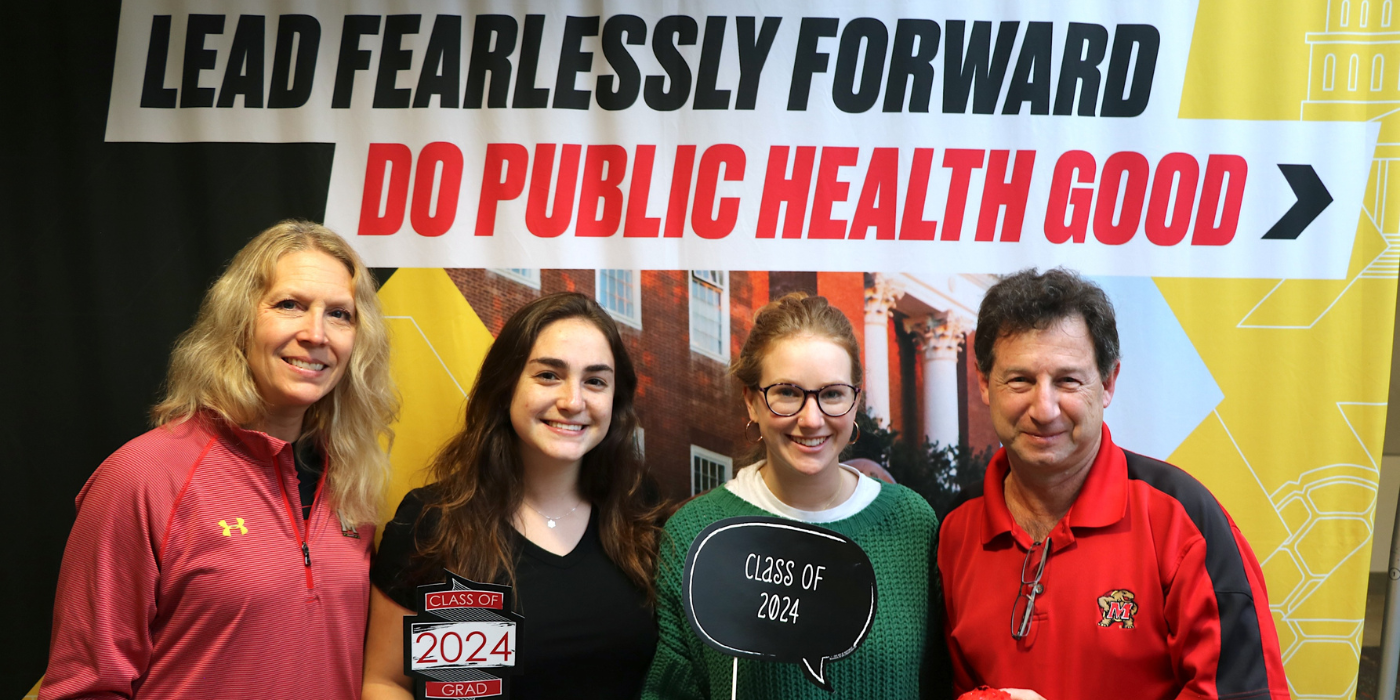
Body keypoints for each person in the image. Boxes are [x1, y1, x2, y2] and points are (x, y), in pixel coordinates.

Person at [40, 221, 398, 699]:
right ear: (239, 319)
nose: (316, 334)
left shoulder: (352, 480)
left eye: (340, 314)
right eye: (289, 305)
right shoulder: (143, 476)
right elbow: (85, 687)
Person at [938, 268, 1290, 699]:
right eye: (1020, 380)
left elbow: (1245, 693)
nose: (1044, 408)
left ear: (1107, 384)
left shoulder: (1183, 521)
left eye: (1067, 380)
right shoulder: (953, 530)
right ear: (983, 383)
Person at [363, 292, 667, 700]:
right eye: (548, 375)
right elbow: (386, 682)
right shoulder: (434, 522)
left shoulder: (644, 522)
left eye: (595, 381)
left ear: (616, 400)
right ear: (506, 385)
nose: (572, 401)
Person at [642, 293, 941, 700]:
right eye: (787, 392)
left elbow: (940, 679)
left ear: (856, 400)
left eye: (832, 394)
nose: (811, 419)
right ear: (751, 401)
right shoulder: (696, 532)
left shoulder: (911, 523)